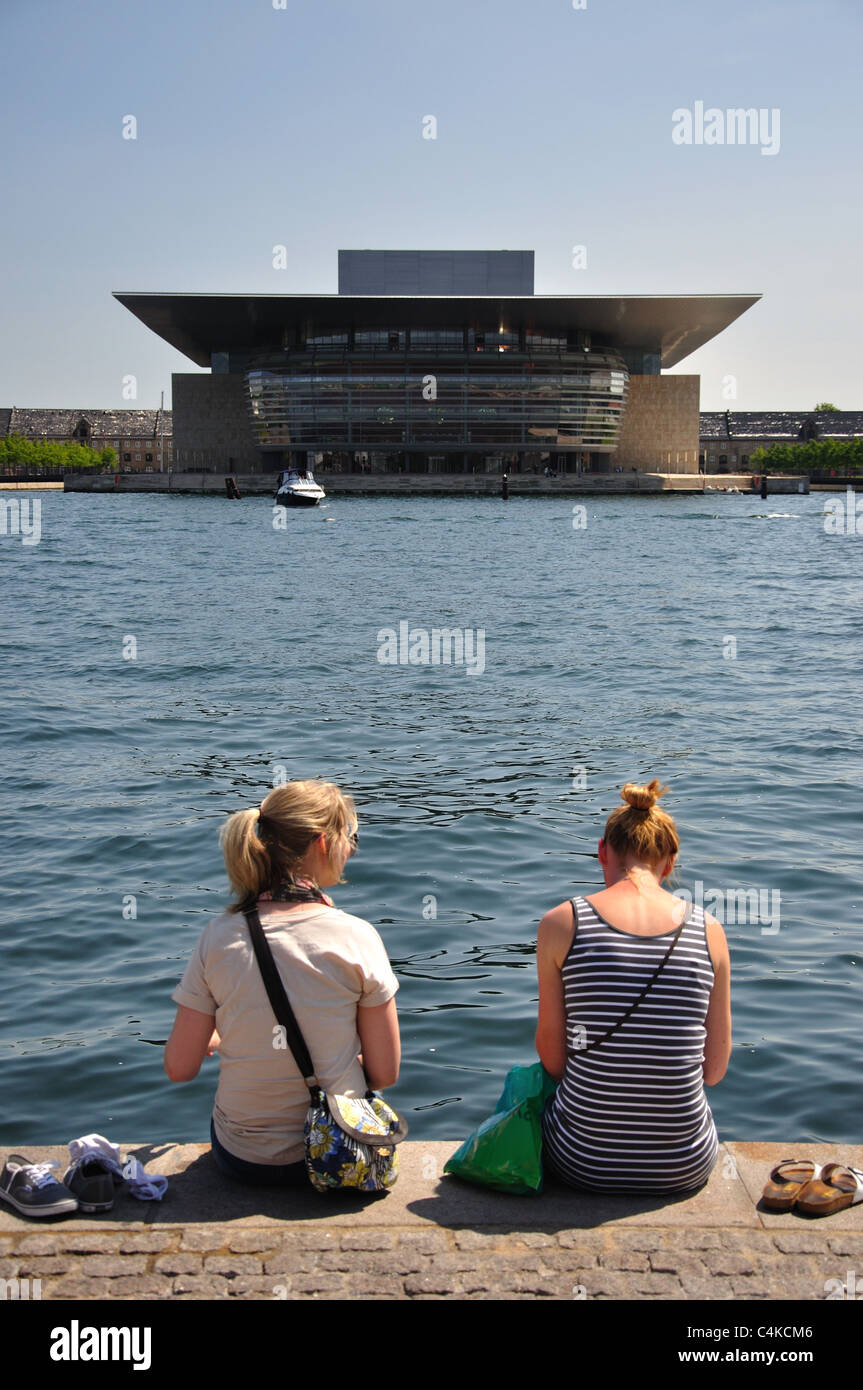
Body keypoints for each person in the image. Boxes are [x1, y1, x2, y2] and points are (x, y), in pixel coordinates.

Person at [164, 779, 400, 1186]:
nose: (352, 850)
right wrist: (335, 1067)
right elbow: (384, 1072)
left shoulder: (218, 936)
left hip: (242, 1159)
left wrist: (227, 1036)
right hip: (337, 1149)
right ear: (322, 843)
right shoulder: (357, 936)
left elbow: (180, 1068)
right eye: (350, 837)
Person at [536, 779, 731, 1193]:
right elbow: (713, 1072)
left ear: (602, 851)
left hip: (582, 1161)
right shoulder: (708, 930)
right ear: (670, 861)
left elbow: (553, 1060)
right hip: (684, 1165)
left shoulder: (561, 923)